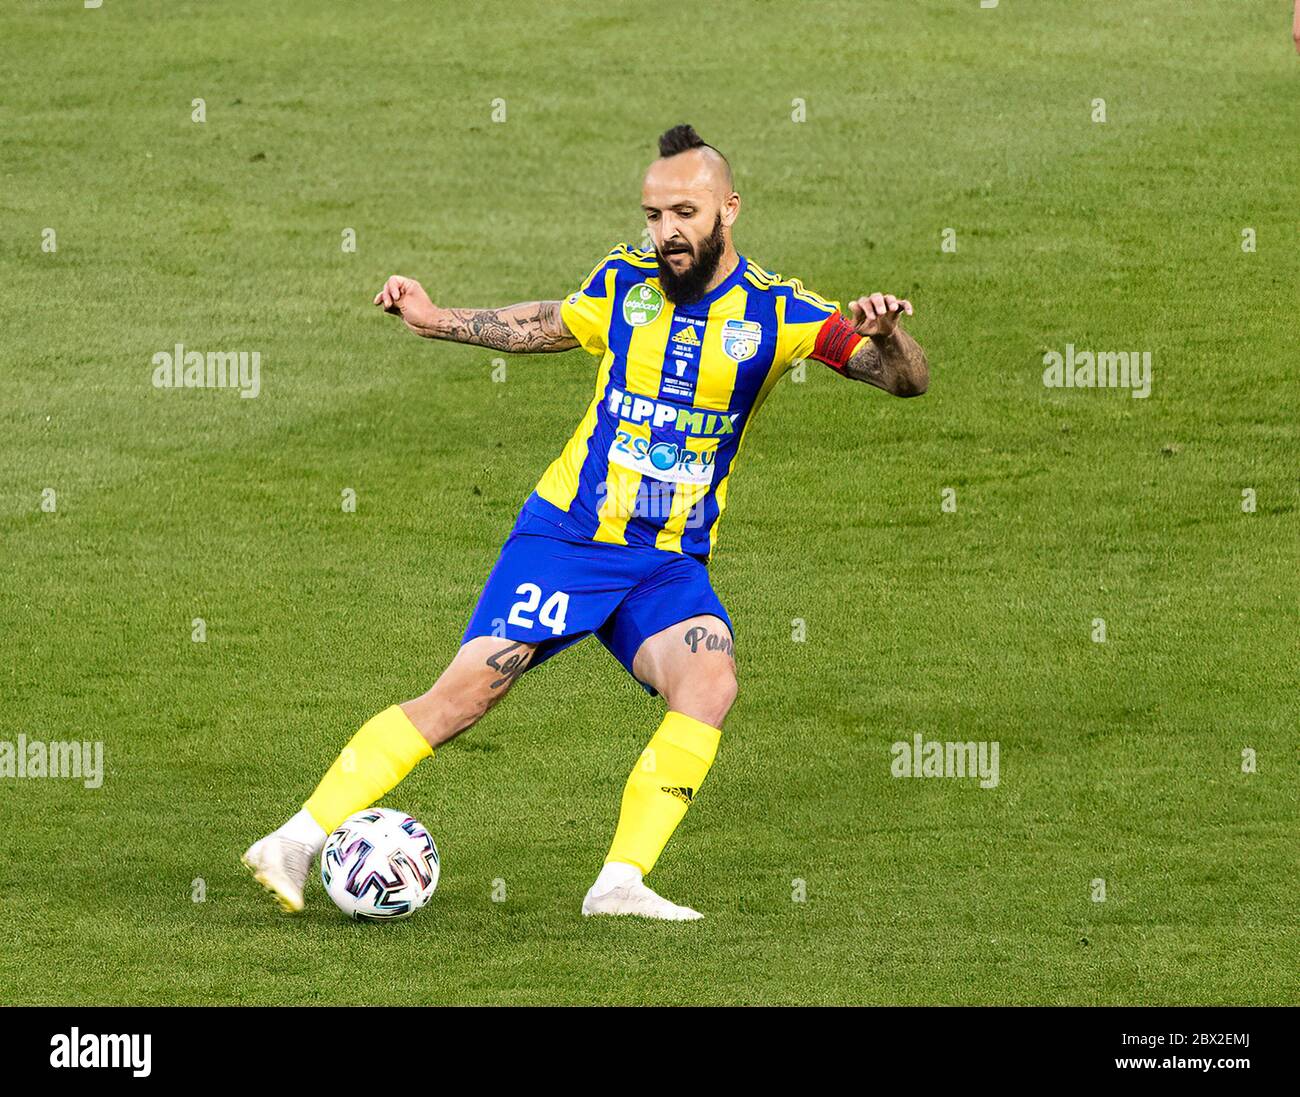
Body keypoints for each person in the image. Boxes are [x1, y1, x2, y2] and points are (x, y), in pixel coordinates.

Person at [242, 124, 929, 921]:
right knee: (461, 699)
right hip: (569, 539)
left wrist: (888, 334)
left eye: (684, 212)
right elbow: (548, 323)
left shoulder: (783, 312)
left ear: (727, 209)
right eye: (652, 214)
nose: (666, 231)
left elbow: (904, 381)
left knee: (709, 680)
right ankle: (293, 838)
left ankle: (619, 882)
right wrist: (433, 320)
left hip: (666, 560)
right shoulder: (625, 283)